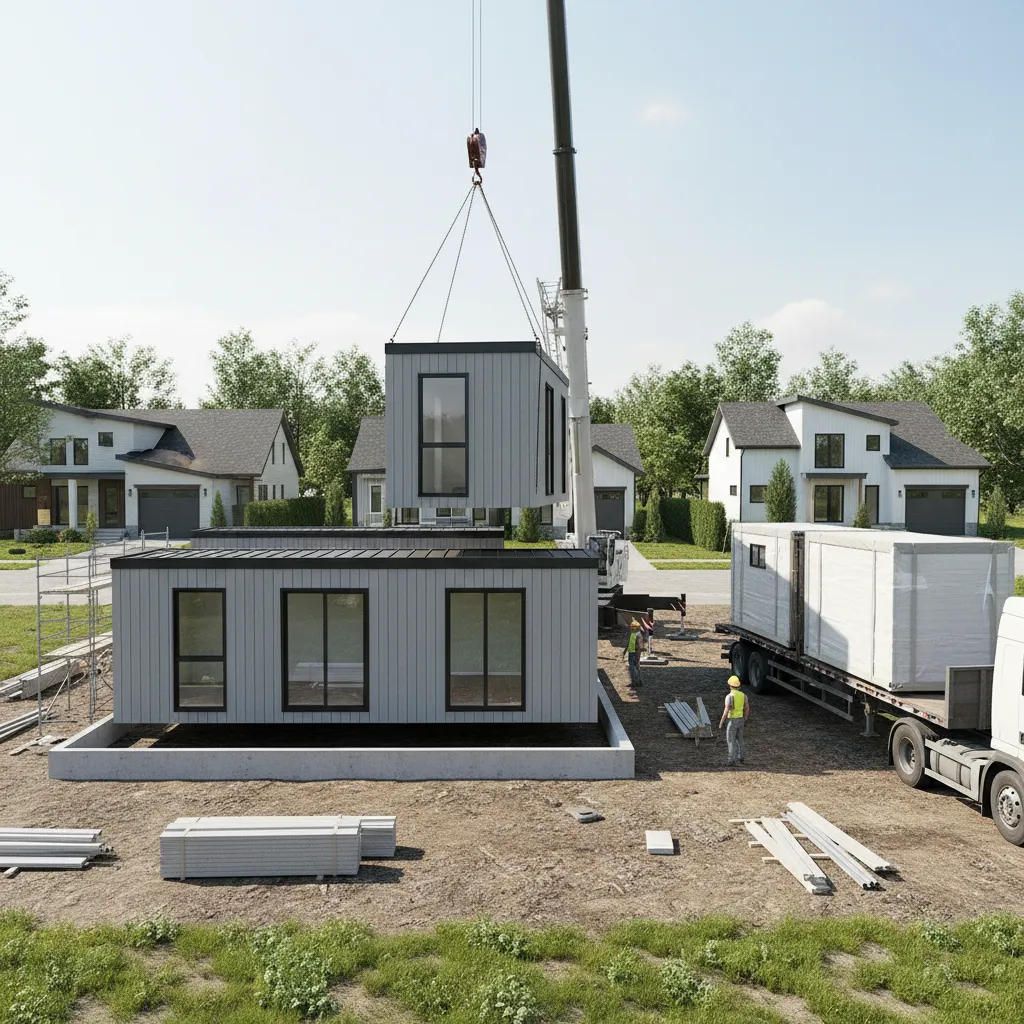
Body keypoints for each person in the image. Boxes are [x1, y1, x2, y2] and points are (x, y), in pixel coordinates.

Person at [718, 675, 749, 766]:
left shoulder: (729, 696)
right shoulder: (744, 696)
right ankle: (741, 757)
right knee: (740, 739)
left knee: (731, 740)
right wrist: (745, 719)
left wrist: (721, 722)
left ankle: (731, 760)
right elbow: (747, 708)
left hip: (732, 720)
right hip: (741, 720)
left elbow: (726, 710)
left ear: (730, 685)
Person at [622, 619, 642, 688]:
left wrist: (638, 656)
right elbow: (629, 643)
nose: (632, 628)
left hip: (635, 653)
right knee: (632, 669)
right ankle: (634, 682)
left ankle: (637, 682)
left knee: (635, 668)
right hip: (631, 653)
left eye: (633, 627)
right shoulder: (632, 634)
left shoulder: (639, 636)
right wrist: (624, 651)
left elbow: (640, 647)